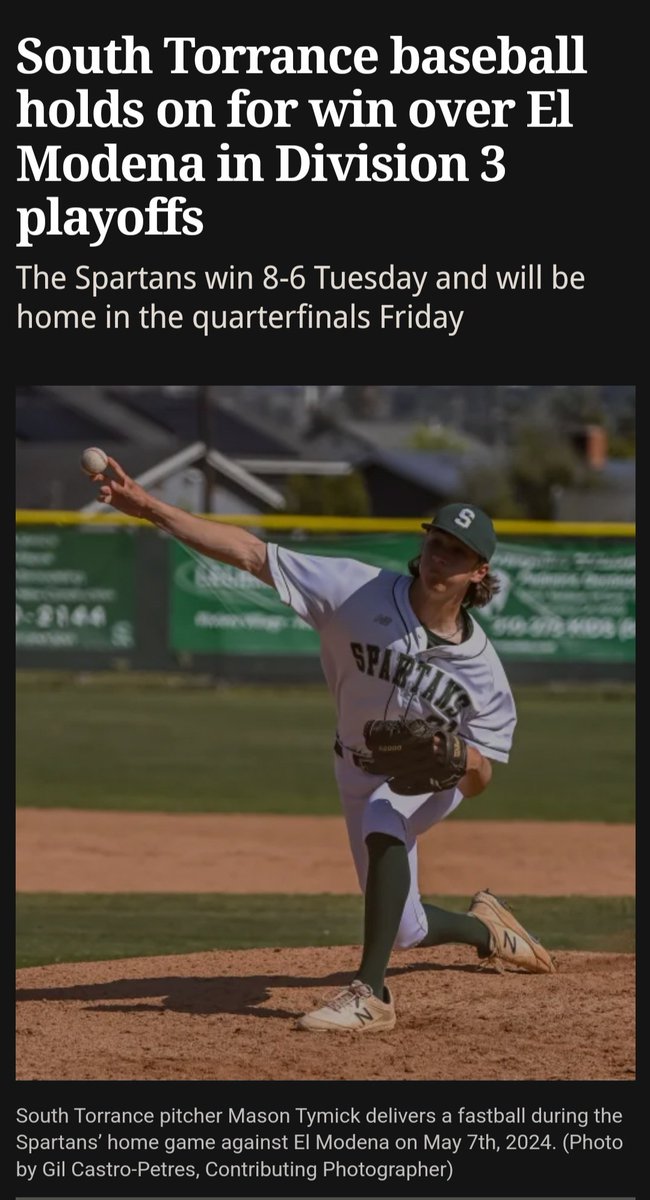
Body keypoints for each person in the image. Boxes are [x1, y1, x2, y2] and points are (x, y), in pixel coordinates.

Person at [87, 458, 555, 1033]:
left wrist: (464, 760)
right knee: (404, 927)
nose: (440, 558)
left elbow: (482, 779)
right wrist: (150, 507)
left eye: (456, 553)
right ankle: (489, 931)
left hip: (425, 781)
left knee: (388, 814)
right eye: (436, 542)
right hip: (353, 767)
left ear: (479, 572)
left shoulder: (482, 670)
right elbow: (251, 553)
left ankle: (370, 994)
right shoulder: (354, 589)